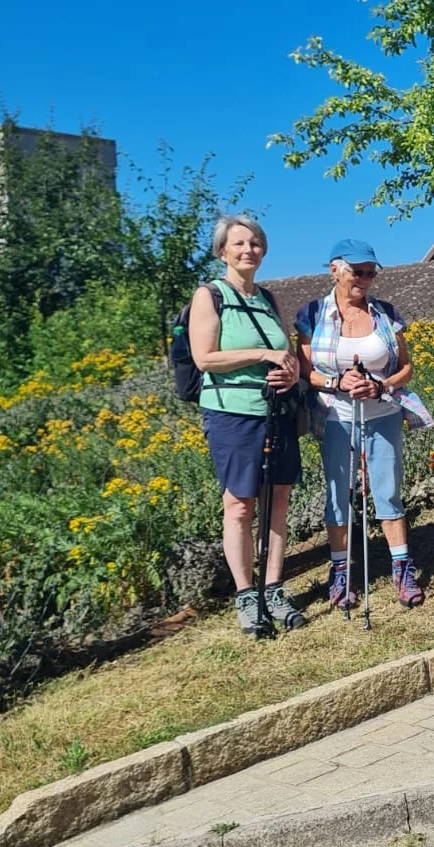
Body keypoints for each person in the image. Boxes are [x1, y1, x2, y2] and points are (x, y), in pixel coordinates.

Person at [296, 239, 432, 611]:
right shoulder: (312, 314)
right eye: (358, 271)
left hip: (382, 413)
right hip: (336, 416)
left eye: (371, 272)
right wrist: (338, 382)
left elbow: (406, 368)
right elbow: (306, 372)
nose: (365, 279)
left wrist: (381, 384)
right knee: (338, 495)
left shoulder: (386, 313)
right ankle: (340, 572)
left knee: (388, 491)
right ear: (335, 270)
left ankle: (402, 568)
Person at [188, 215, 305, 636]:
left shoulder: (269, 300)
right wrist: (261, 355)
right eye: (238, 244)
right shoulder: (210, 296)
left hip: (275, 411)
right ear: (222, 251)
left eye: (255, 242)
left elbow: (285, 354)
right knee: (239, 505)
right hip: (231, 414)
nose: (248, 250)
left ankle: (273, 586)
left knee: (277, 500)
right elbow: (205, 358)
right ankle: (245, 595)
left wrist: (290, 374)